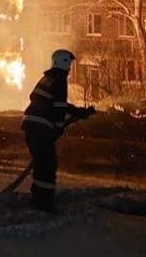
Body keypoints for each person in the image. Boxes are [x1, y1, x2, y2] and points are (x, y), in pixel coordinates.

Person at [21, 49, 92, 212]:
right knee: (47, 165)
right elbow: (59, 109)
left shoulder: (48, 78)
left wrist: (77, 112)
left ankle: (38, 198)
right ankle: (44, 203)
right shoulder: (60, 81)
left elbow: (48, 101)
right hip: (41, 127)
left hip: (31, 125)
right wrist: (58, 128)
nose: (70, 68)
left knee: (42, 163)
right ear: (64, 62)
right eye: (70, 64)